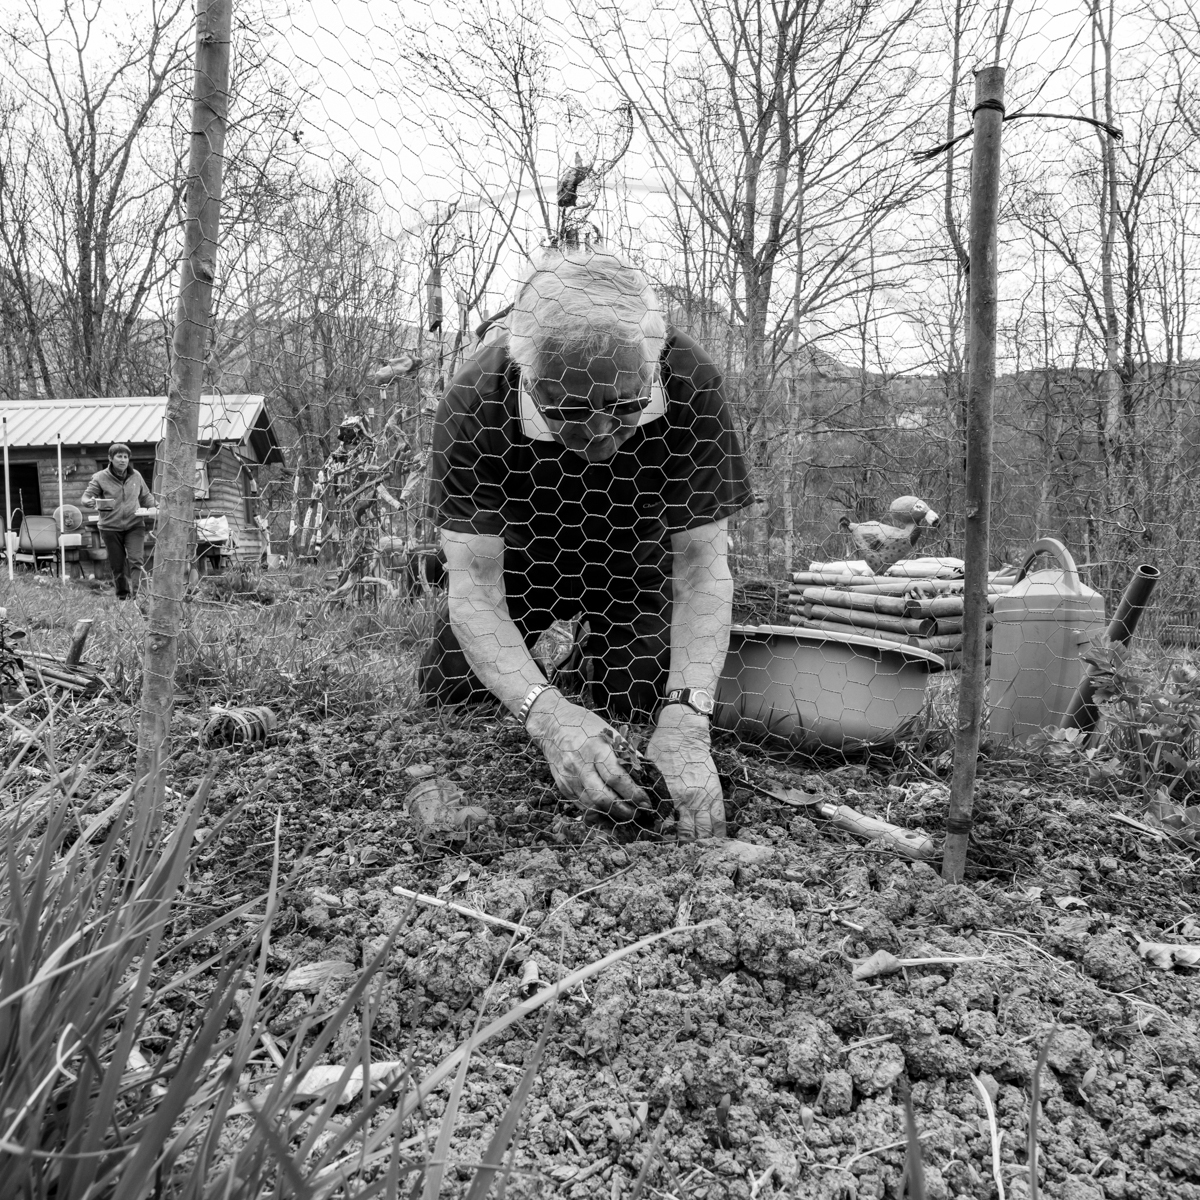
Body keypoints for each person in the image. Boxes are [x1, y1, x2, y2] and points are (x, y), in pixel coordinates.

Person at [420, 246, 755, 839]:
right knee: (450, 685)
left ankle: (589, 672)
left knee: (646, 693)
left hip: (636, 559)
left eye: (623, 405)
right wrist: (545, 718)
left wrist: (686, 718)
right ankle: (559, 694)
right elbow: (473, 586)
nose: (601, 432)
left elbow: (704, 567)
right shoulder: (475, 398)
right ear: (529, 376)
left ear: (652, 364)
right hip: (526, 561)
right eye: (571, 409)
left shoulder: (691, 380)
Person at [81, 443, 156, 599]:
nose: (123, 460)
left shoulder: (136, 476)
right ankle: (123, 596)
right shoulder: (100, 477)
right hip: (109, 527)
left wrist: (156, 506)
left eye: (125, 457)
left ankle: (139, 596)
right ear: (110, 458)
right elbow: (86, 497)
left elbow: (146, 496)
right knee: (118, 565)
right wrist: (88, 501)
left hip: (134, 525)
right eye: (119, 456)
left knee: (136, 560)